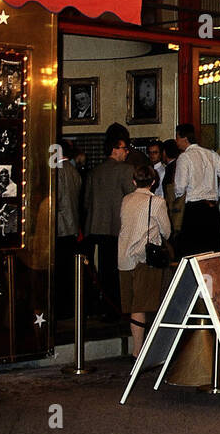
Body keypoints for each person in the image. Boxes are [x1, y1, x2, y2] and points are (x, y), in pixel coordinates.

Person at [118, 164, 171, 357]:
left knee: (133, 305)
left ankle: (137, 348)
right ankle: (139, 351)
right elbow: (167, 230)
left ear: (134, 181)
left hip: (124, 258)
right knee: (141, 305)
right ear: (154, 182)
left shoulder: (126, 199)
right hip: (144, 258)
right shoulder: (157, 202)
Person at [82, 133, 136, 320]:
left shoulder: (94, 171)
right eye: (124, 148)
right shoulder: (126, 170)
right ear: (114, 149)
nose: (127, 152)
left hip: (95, 227)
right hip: (116, 227)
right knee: (115, 271)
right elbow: (132, 198)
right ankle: (114, 309)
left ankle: (99, 306)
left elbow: (86, 201)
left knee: (100, 271)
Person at [172, 122, 220, 257]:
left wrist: (177, 197)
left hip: (194, 212)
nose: (176, 141)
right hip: (211, 211)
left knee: (193, 255)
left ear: (184, 139)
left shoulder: (184, 157)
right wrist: (217, 194)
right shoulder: (211, 154)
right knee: (212, 255)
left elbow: (180, 188)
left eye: (177, 137)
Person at [54, 139, 84, 321]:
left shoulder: (57, 172)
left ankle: (61, 309)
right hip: (72, 226)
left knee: (60, 272)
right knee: (69, 272)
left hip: (60, 227)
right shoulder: (74, 171)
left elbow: (56, 201)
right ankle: (69, 308)